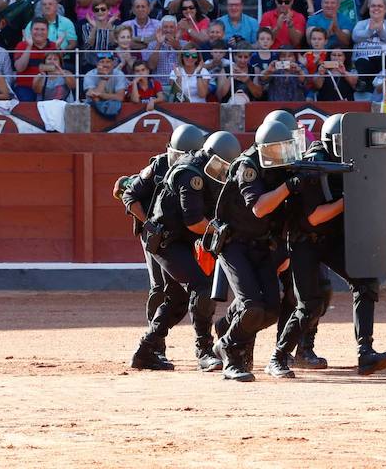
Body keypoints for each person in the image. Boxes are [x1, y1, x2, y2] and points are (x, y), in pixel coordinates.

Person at [272, 114, 386, 378]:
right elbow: (314, 217)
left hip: (330, 239)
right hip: (304, 241)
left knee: (365, 280)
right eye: (341, 141)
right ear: (329, 142)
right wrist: (350, 199)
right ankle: (279, 357)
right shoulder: (314, 165)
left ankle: (366, 353)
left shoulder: (354, 161)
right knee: (309, 303)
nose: (347, 145)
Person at [125, 129, 234, 372]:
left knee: (177, 298)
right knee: (199, 287)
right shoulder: (189, 174)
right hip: (165, 240)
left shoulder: (209, 171)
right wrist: (222, 231)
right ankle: (204, 350)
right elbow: (193, 221)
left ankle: (145, 350)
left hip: (181, 240)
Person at [212, 121, 297, 382]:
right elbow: (260, 208)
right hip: (234, 244)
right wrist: (290, 186)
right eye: (275, 151)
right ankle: (230, 350)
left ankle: (227, 329)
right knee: (251, 307)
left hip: (262, 245)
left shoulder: (284, 168)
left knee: (271, 309)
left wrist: (284, 251)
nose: (279, 157)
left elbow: (285, 216)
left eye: (284, 151)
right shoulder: (247, 166)